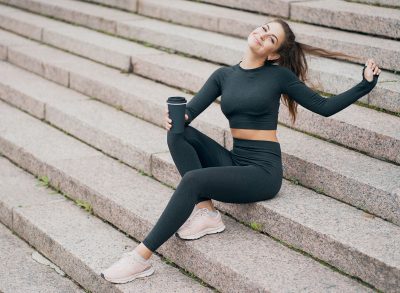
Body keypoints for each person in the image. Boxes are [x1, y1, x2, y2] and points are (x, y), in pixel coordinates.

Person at [100, 18, 381, 284]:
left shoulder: (278, 76)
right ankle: (207, 213)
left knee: (193, 180)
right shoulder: (223, 75)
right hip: (236, 159)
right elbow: (190, 113)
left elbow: (324, 107)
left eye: (271, 38)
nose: (261, 35)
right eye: (263, 29)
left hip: (263, 172)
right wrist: (176, 117)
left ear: (273, 54)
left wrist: (364, 84)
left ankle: (140, 257)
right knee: (178, 134)